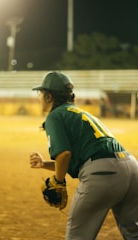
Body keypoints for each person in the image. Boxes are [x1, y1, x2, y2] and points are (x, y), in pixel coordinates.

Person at [30, 71, 138, 240]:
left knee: (77, 237)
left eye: (41, 94)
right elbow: (77, 157)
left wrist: (57, 181)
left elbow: (65, 154)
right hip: (131, 169)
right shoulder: (79, 113)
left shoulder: (55, 115)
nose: (39, 97)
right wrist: (45, 164)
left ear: (49, 97)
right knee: (134, 234)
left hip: (103, 174)